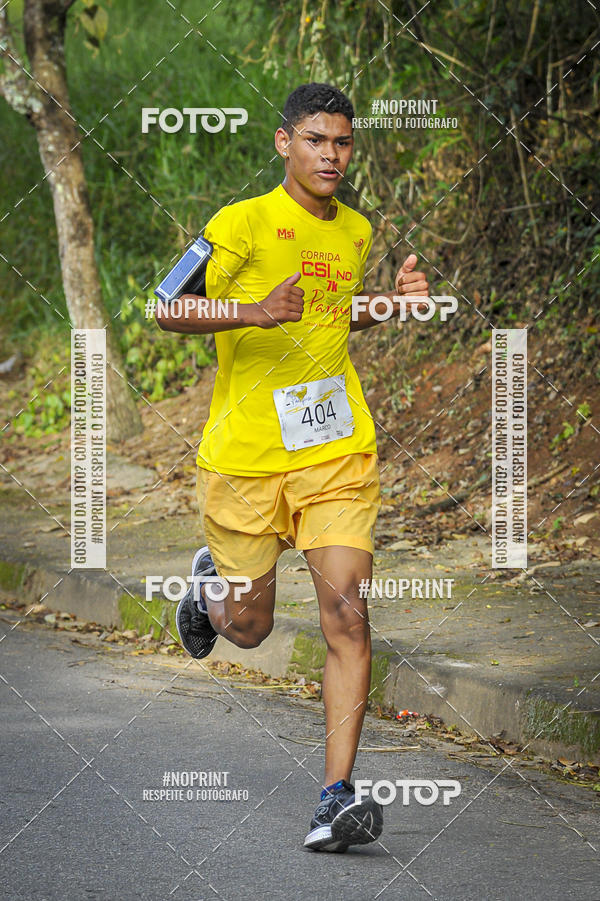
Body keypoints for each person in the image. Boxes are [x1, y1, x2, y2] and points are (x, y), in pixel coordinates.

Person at [156, 82, 429, 853]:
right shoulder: (238, 223)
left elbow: (331, 312)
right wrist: (250, 310)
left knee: (348, 617)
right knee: (250, 626)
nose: (331, 155)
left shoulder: (356, 230)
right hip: (245, 460)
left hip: (336, 454)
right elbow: (163, 304)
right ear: (285, 144)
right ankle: (212, 586)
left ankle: (335, 797)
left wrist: (389, 306)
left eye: (343, 142)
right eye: (316, 140)